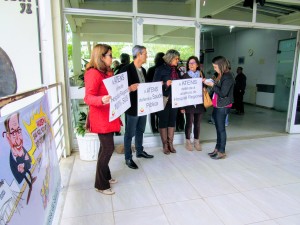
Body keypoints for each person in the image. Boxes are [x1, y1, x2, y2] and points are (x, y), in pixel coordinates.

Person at [84, 44, 121, 195]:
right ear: (101, 57)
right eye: (110, 55)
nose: (112, 58)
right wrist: (102, 99)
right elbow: (88, 97)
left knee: (104, 148)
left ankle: (106, 176)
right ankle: (101, 184)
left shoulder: (107, 72)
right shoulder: (93, 73)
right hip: (101, 117)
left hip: (110, 115)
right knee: (108, 149)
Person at [120, 45, 154, 170]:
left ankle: (139, 151)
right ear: (139, 54)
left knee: (140, 130)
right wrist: (129, 88)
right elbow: (118, 89)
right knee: (129, 133)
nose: (147, 56)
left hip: (143, 107)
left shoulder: (143, 70)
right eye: (145, 53)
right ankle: (128, 158)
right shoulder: (126, 69)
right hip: (132, 107)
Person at [203, 56, 234, 160]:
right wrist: (207, 82)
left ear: (221, 66)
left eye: (215, 67)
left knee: (221, 129)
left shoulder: (228, 77)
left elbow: (223, 93)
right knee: (217, 128)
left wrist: (212, 85)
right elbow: (216, 87)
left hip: (223, 106)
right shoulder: (220, 75)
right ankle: (217, 148)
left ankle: (222, 151)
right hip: (217, 104)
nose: (214, 69)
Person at [4, 112, 37, 204]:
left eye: (18, 131)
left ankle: (31, 180)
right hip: (21, 173)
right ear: (8, 137)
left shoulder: (22, 149)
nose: (18, 138)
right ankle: (29, 184)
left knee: (27, 171)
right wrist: (20, 167)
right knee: (24, 174)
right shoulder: (12, 158)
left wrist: (26, 160)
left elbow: (29, 161)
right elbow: (16, 172)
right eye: (13, 133)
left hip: (25, 168)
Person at [153, 49, 181, 155]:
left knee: (172, 122)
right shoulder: (160, 69)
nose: (178, 61)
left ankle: (170, 144)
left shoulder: (177, 70)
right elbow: (154, 85)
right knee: (163, 122)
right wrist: (165, 84)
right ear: (170, 58)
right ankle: (165, 145)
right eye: (176, 59)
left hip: (175, 100)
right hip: (163, 99)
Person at [180, 56, 205, 151]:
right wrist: (182, 107)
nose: (191, 64)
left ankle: (196, 141)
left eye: (193, 63)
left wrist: (204, 83)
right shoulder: (185, 76)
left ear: (197, 64)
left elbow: (205, 88)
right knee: (189, 123)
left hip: (199, 103)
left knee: (198, 123)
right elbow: (181, 92)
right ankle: (188, 141)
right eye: (189, 63)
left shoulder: (201, 75)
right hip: (188, 104)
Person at [145, 52, 165, 133]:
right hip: (162, 94)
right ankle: (161, 128)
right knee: (161, 113)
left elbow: (147, 82)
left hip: (152, 94)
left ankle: (154, 128)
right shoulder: (164, 70)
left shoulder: (151, 69)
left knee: (153, 113)